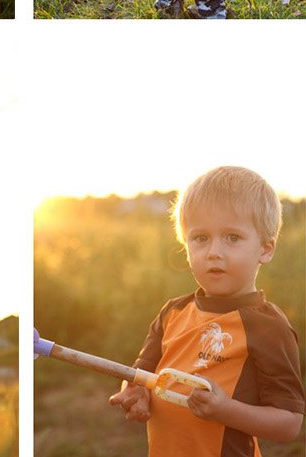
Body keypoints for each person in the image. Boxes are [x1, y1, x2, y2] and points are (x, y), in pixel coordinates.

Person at [108, 166, 304, 455]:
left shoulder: (268, 327)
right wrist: (135, 391)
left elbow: (289, 425)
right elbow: (139, 375)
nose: (213, 252)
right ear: (185, 246)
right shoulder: (172, 313)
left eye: (232, 238)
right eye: (201, 238)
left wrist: (226, 410)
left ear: (265, 249)